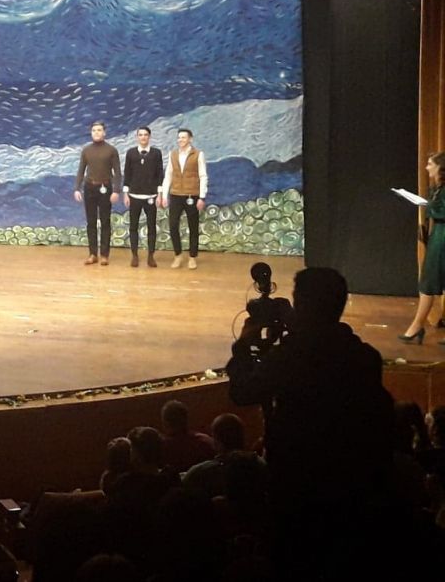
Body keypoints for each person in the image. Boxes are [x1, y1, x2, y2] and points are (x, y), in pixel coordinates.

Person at [226, 266, 394, 577]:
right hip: (353, 495)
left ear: (303, 305)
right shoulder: (364, 357)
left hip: (297, 490)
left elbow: (242, 391)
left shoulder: (289, 359)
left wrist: (242, 349)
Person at [398, 151, 445, 344]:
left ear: (440, 168)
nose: (427, 168)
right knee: (429, 280)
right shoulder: (437, 187)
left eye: (430, 164)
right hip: (438, 236)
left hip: (443, 238)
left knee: (431, 280)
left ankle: (417, 327)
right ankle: (417, 326)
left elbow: (441, 211)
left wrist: (428, 205)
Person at [73, 122, 121, 265]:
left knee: (105, 221)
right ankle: (93, 254)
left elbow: (117, 172)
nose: (96, 132)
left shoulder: (111, 150)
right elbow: (81, 170)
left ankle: (104, 255)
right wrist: (77, 188)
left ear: (104, 132)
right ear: (91, 133)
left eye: (99, 130)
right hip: (90, 188)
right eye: (94, 130)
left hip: (105, 188)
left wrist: (116, 190)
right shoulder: (86, 150)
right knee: (91, 222)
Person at [160, 128, 207, 270]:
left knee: (193, 226)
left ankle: (192, 257)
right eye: (179, 137)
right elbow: (168, 175)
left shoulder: (198, 154)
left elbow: (203, 176)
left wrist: (202, 197)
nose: (180, 140)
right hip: (175, 195)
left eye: (183, 137)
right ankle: (178, 255)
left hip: (192, 195)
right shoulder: (173, 154)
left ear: (190, 139)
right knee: (173, 224)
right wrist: (164, 195)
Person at [122, 126, 164, 268]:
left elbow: (160, 174)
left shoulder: (156, 153)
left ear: (149, 136)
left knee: (151, 227)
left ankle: (151, 256)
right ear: (137, 137)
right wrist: (126, 193)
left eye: (145, 135)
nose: (143, 137)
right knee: (133, 226)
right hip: (134, 196)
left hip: (151, 196)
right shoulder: (131, 153)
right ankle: (134, 255)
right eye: (140, 135)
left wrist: (160, 194)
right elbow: (127, 174)